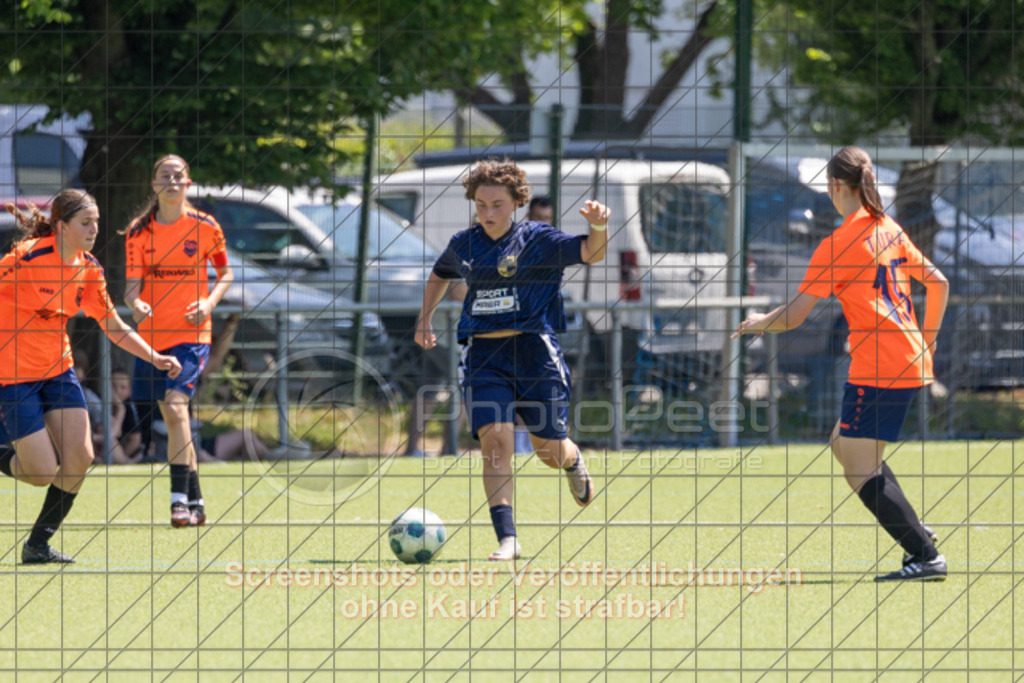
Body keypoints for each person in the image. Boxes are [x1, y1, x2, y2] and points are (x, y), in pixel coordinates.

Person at [733, 146, 949, 582]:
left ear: (835, 186)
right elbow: (939, 283)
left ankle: (923, 555)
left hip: (879, 363)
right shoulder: (887, 227)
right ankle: (912, 528)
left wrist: (759, 321)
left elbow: (794, 316)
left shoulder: (838, 244)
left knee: (858, 467)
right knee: (841, 440)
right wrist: (926, 343)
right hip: (903, 356)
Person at [415, 159, 611, 561]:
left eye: (497, 205)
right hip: (485, 355)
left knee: (548, 452)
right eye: (481, 205)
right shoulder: (464, 243)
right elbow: (440, 273)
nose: (488, 213)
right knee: (496, 441)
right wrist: (424, 318)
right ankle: (508, 539)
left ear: (516, 202)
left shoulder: (539, 239)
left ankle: (573, 462)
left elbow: (592, 253)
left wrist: (599, 226)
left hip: (535, 353)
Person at [0, 192, 182, 563]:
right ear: (62, 227)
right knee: (39, 472)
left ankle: (37, 546)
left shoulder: (90, 269)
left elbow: (113, 327)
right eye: (86, 222)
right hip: (13, 376)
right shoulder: (27, 258)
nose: (94, 229)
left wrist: (155, 356)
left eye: (97, 221)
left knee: (81, 457)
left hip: (57, 372)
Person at [123, 154, 234, 527]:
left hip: (192, 336)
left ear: (188, 183)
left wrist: (209, 302)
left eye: (178, 175)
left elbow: (225, 273)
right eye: (163, 176)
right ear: (154, 185)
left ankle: (178, 502)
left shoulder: (205, 227)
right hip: (153, 341)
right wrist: (135, 303)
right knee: (173, 418)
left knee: (175, 408)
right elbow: (131, 289)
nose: (171, 181)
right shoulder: (139, 232)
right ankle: (197, 499)